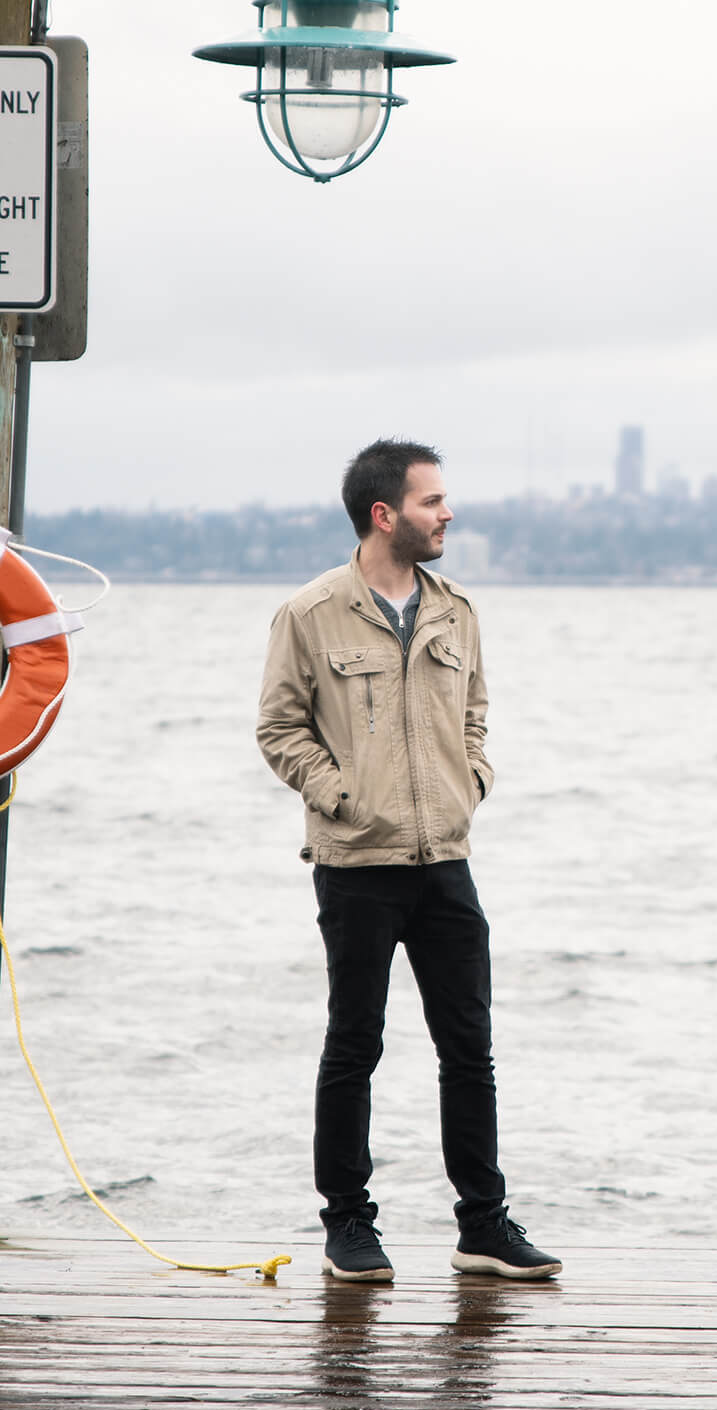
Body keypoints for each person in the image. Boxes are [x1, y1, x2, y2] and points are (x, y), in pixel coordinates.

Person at [255, 438, 561, 1285]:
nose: (447, 514)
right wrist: (344, 795)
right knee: (354, 1045)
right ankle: (348, 1227)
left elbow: (475, 718)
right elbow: (279, 730)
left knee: (470, 1047)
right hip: (355, 863)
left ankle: (483, 1227)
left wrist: (473, 782)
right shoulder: (310, 615)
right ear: (384, 515)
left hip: (446, 860)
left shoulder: (457, 609)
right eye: (431, 502)